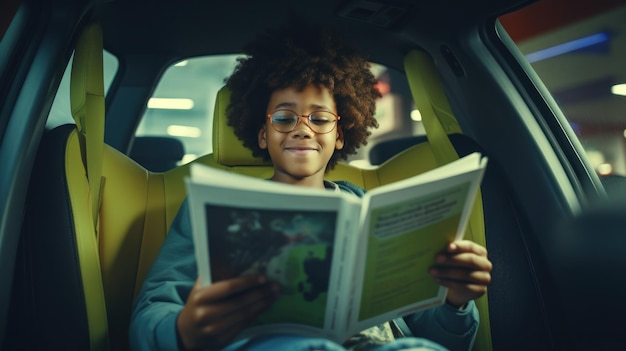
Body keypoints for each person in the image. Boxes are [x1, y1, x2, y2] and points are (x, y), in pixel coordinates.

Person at [129, 20, 492, 351]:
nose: (302, 128)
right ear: (261, 133)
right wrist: (182, 331)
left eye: (320, 118)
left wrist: (454, 301)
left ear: (340, 135)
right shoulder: (212, 210)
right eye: (285, 117)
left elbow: (430, 335)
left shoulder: (368, 209)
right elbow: (151, 312)